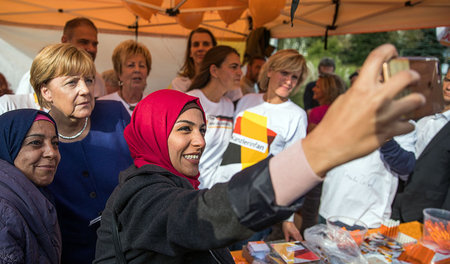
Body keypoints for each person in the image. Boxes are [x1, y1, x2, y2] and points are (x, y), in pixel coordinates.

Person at [93, 43, 426, 263]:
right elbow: (205, 216)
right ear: (152, 133)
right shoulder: (140, 196)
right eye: (184, 129)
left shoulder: (176, 184)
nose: (200, 141)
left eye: (202, 130)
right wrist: (321, 150)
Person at [30, 43, 133, 264]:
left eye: (88, 80)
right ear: (45, 91)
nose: (85, 90)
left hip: (132, 248)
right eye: (71, 82)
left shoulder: (116, 116)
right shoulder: (33, 139)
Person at [218, 49, 309, 245]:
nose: (289, 81)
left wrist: (288, 218)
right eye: (284, 73)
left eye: (295, 76)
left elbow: (294, 169)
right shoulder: (246, 101)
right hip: (223, 195)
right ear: (269, 71)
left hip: (256, 205)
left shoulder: (296, 116)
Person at [0, 109, 61, 263]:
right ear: (8, 145)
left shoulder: (35, 195)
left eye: (55, 143)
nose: (52, 153)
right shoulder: (4, 210)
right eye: (35, 143)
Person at [392, 69, 450, 222]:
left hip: (428, 214)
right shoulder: (424, 119)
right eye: (448, 80)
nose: (448, 87)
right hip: (397, 204)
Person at [186, 45, 242, 189]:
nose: (240, 72)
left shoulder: (229, 106)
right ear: (214, 70)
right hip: (188, 189)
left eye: (239, 67)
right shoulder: (191, 100)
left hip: (214, 193)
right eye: (233, 67)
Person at [297, 72, 346, 234]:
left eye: (317, 86)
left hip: (315, 170)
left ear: (326, 89)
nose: (313, 89)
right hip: (338, 172)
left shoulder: (316, 113)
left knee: (310, 216)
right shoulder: (345, 113)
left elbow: (308, 144)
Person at [15, 17, 106, 98]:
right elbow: (22, 114)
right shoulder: (37, 76)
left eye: (95, 44)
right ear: (65, 41)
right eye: (83, 42)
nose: (91, 49)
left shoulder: (98, 79)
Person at [172, 27, 242, 101]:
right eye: (196, 45)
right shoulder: (180, 83)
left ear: (214, 50)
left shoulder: (228, 80)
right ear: (190, 52)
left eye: (206, 44)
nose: (200, 48)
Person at [98, 40, 152, 116]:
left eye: (142, 65)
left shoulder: (154, 105)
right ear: (118, 72)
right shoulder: (103, 104)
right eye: (131, 65)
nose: (137, 70)